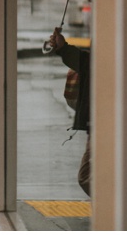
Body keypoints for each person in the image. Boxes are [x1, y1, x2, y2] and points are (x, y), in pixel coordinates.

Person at [48, 24, 91, 197]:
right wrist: (64, 48)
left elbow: (92, 64)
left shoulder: (111, 16)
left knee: (87, 176)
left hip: (106, 116)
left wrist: (64, 49)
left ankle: (122, 211)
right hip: (100, 117)